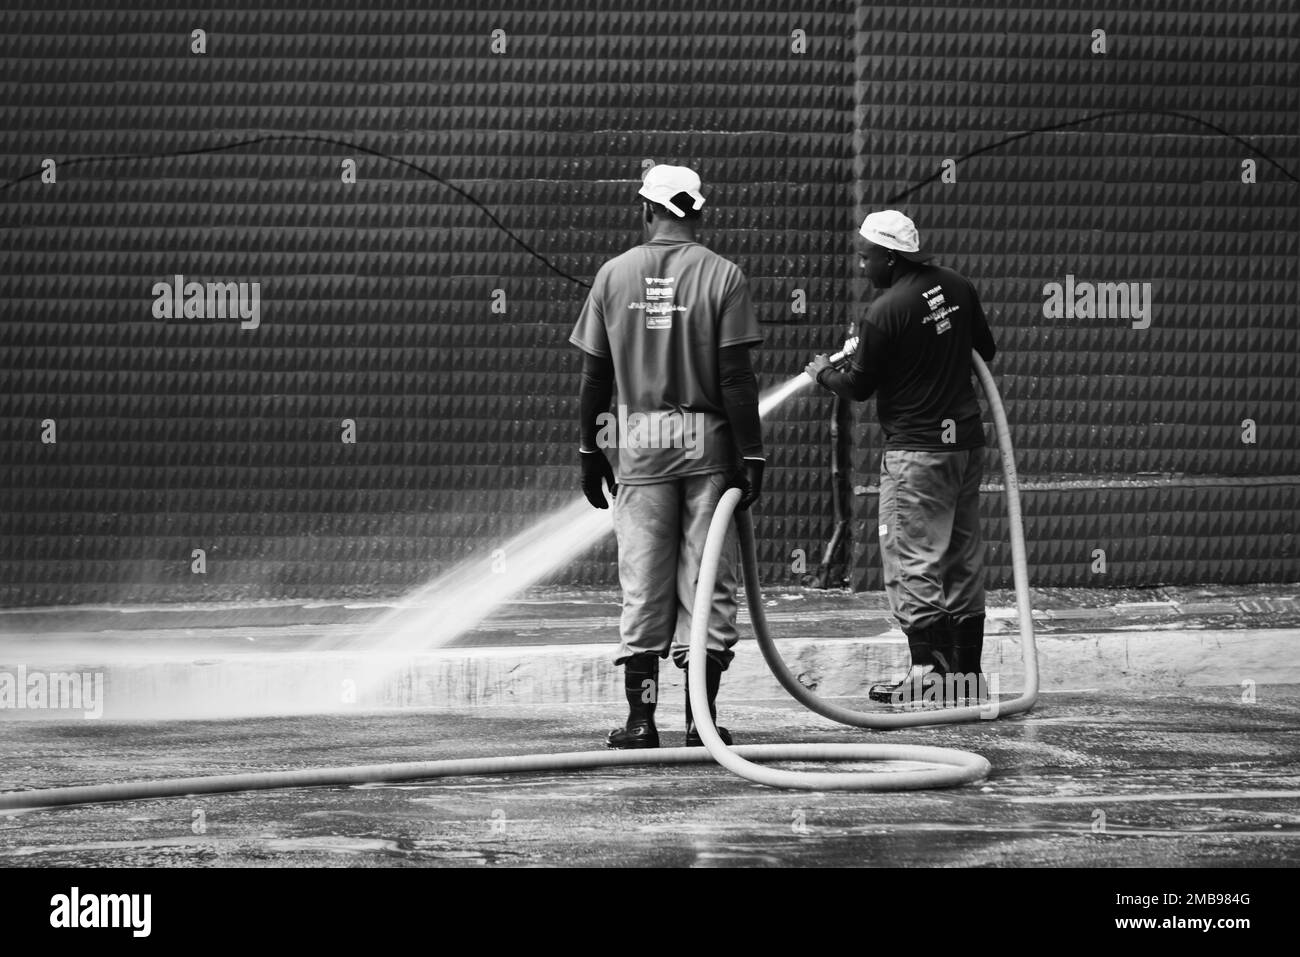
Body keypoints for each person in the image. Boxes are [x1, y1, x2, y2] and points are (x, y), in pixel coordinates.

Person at [570, 164, 766, 747]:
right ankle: (698, 725)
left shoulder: (613, 276)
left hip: (641, 450)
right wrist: (750, 454)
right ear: (697, 213)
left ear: (645, 210)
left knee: (643, 583)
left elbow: (594, 376)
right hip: (708, 449)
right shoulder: (723, 275)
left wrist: (588, 449)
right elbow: (736, 377)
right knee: (707, 582)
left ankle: (640, 722)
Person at [805, 210, 997, 705]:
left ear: (890, 257)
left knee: (912, 559)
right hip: (965, 449)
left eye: (867, 257)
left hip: (917, 455)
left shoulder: (885, 311)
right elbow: (985, 348)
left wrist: (823, 373)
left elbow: (859, 386)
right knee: (960, 558)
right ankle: (967, 679)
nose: (862, 265)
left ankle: (928, 673)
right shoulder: (955, 285)